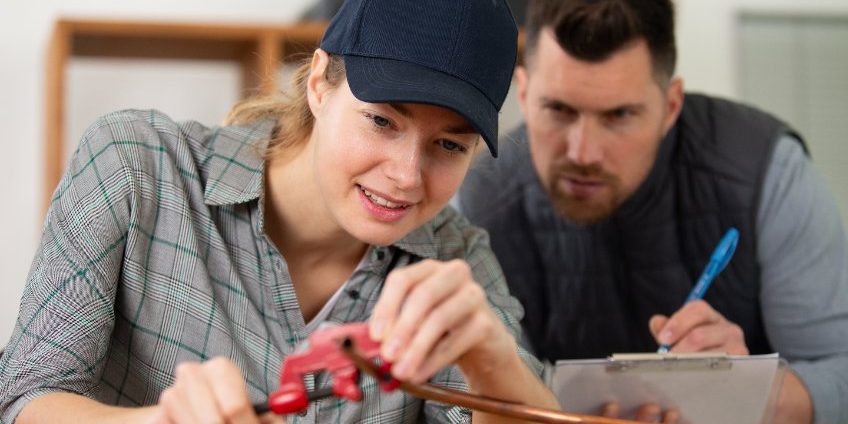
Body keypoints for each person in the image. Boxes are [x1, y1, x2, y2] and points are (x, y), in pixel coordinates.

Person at [0, 0, 561, 422]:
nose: (406, 175)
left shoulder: (454, 256)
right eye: (382, 122)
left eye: (449, 145)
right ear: (319, 83)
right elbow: (27, 397)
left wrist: (494, 363)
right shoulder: (136, 166)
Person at [459, 1, 848, 423]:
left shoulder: (766, 171)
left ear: (671, 106)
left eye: (619, 115)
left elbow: (839, 371)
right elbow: (478, 398)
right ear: (523, 91)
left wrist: (747, 391)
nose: (583, 153)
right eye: (559, 110)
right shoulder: (480, 200)